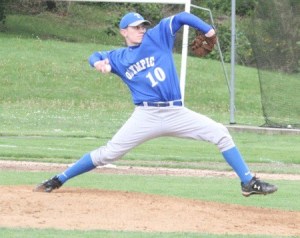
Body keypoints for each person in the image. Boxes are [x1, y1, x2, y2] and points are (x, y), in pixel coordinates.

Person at [35, 11, 277, 197]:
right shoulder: (119, 57)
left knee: (220, 133)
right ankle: (59, 178)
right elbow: (95, 55)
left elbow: (182, 17)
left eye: (142, 26)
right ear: (123, 32)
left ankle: (248, 182)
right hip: (145, 116)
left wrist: (209, 30)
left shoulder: (157, 37)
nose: (141, 29)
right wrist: (97, 63)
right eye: (135, 27)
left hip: (176, 112)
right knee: (108, 153)